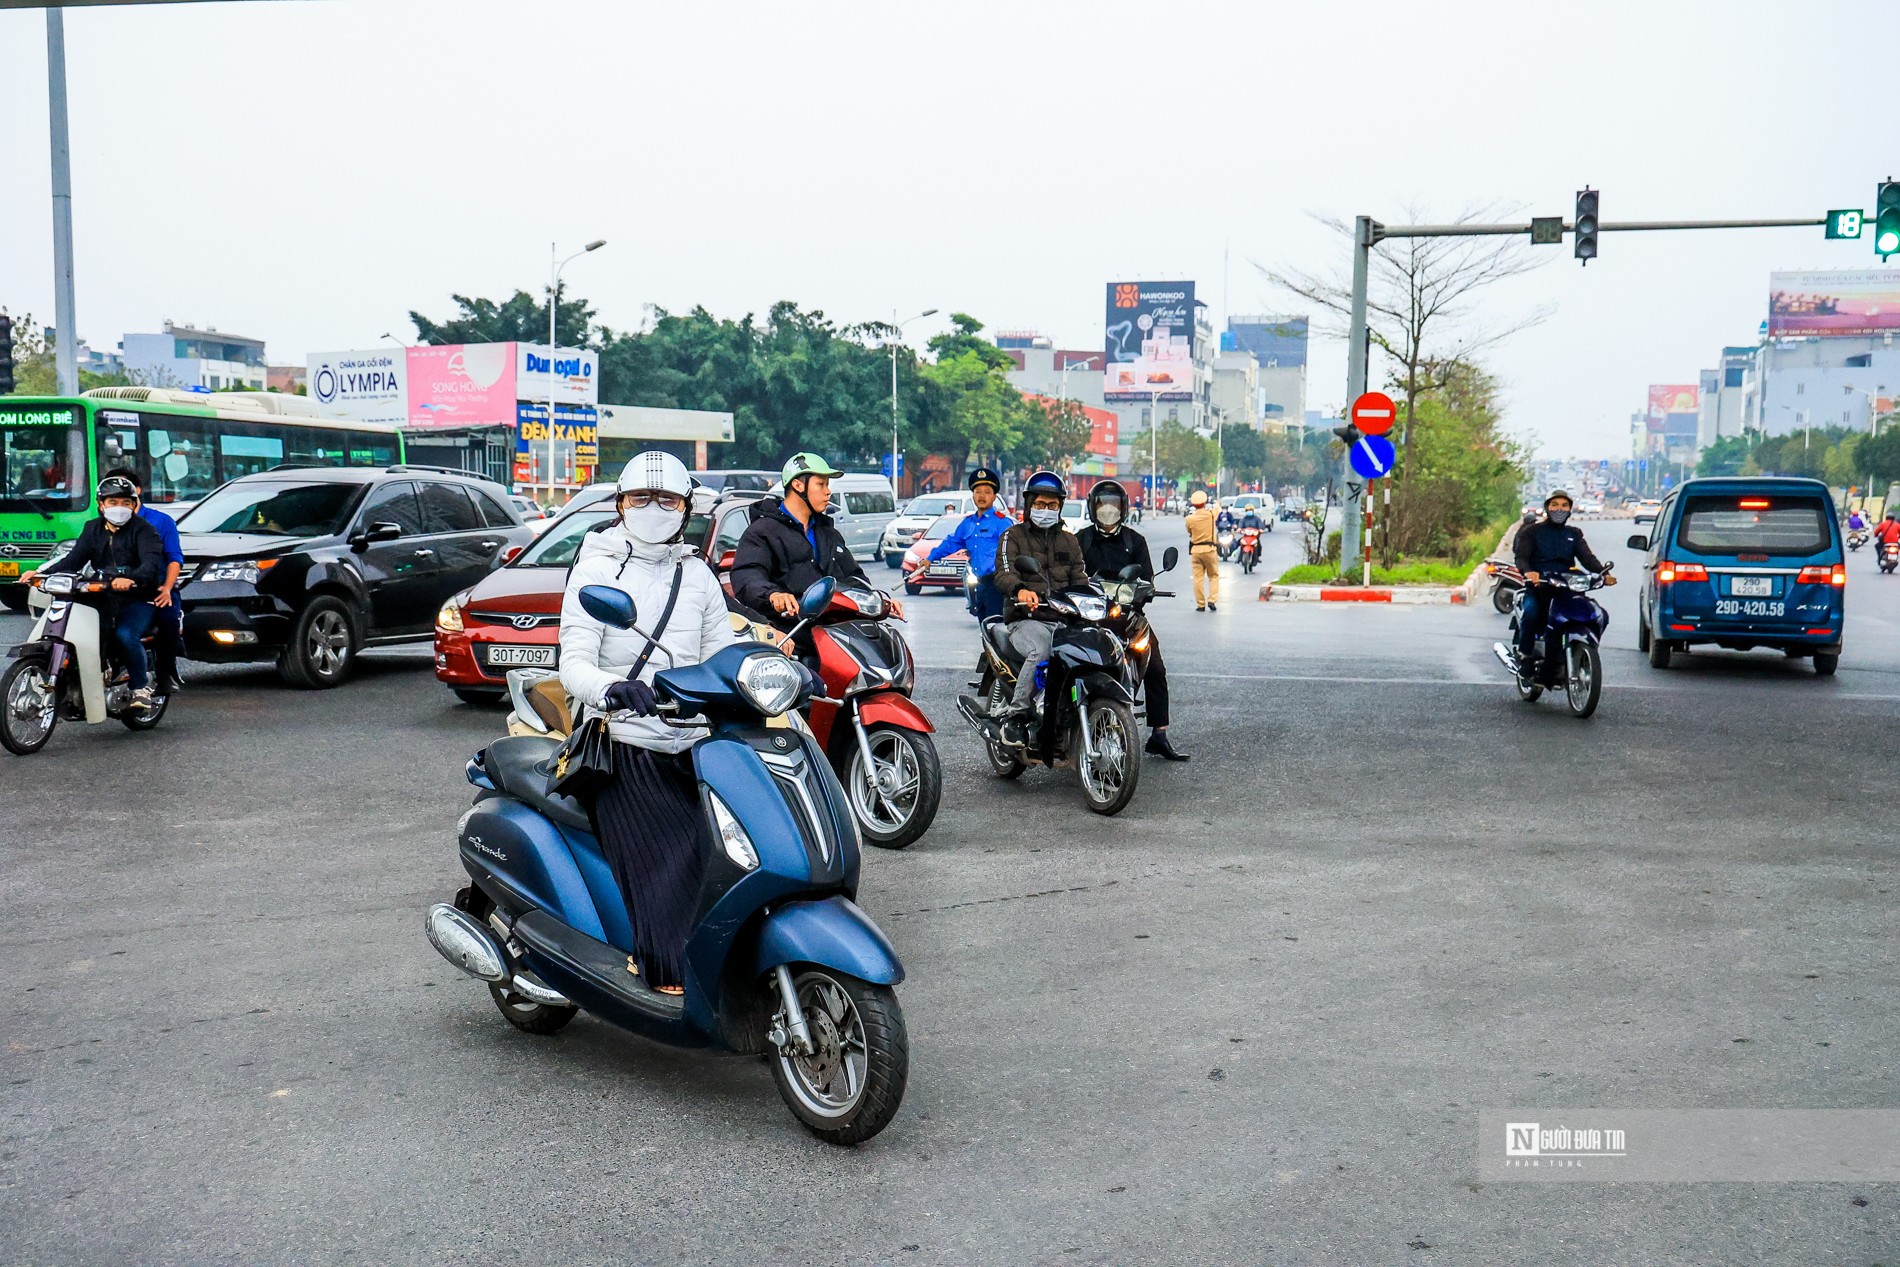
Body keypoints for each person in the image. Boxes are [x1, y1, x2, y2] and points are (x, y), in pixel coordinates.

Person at [559, 452, 739, 995]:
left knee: (736, 840)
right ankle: (660, 962)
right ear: (620, 505)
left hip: (693, 741)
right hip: (622, 743)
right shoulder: (595, 571)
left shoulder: (699, 575)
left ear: (686, 510)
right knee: (679, 841)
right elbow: (573, 662)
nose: (655, 509)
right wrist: (611, 689)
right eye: (642, 499)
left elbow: (721, 655)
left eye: (668, 500)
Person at [24, 476, 167, 708]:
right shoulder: (92, 528)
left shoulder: (144, 531)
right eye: (113, 502)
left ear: (133, 505)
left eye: (125, 502)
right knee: (79, 630)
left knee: (125, 635)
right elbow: (73, 559)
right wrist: (39, 573)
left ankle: (141, 687)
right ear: (101, 504)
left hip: (137, 598)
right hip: (100, 595)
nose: (119, 507)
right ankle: (87, 675)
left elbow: (150, 566)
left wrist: (129, 579)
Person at [730, 452, 902, 639]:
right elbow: (747, 576)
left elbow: (853, 578)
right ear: (798, 485)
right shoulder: (762, 531)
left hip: (835, 635)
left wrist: (879, 601)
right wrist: (773, 595)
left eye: (827, 485)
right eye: (821, 484)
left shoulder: (828, 533)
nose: (828, 491)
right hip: (789, 638)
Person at [1075, 482, 1188, 761]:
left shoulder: (1135, 541)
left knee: (1155, 667)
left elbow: (1147, 579)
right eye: (1102, 504)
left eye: (1114, 504)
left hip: (1128, 617)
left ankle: (1159, 733)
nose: (1108, 510)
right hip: (1090, 616)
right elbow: (1071, 577)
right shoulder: (1081, 540)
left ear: (1123, 508)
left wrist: (1145, 589)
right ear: (1093, 507)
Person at [991, 470, 1088, 745]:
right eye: (1041, 504)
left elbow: (1080, 579)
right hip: (1025, 618)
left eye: (1053, 505)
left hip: (1063, 618)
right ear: (1029, 504)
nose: (1046, 510)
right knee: (1041, 649)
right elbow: (1004, 574)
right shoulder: (1013, 536)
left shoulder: (1069, 540)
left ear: (1060, 507)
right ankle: (1017, 716)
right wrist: (1020, 590)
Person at [1512, 489, 1616, 672]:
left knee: (1600, 615)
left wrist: (1603, 574)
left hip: (1567, 587)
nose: (1559, 509)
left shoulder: (1574, 534)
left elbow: (1587, 558)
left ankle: (1579, 651)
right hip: (1539, 587)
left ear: (1569, 509)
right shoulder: (1532, 532)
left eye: (1564, 505)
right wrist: (1529, 572)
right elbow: (1521, 558)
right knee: (1531, 613)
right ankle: (1525, 656)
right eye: (1555, 505)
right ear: (1547, 507)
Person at [103, 467, 185, 692]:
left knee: (167, 618)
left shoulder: (160, 522)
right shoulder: (102, 523)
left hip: (155, 587)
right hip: (117, 588)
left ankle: (165, 672)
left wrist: (167, 588)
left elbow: (174, 558)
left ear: (136, 491)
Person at [922, 467, 1012, 622]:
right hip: (979, 583)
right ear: (973, 496)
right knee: (984, 628)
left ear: (994, 497)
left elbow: (1011, 551)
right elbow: (951, 543)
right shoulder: (967, 523)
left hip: (997, 584)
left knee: (997, 628)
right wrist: (930, 558)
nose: (982, 496)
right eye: (978, 492)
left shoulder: (1001, 522)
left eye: (987, 492)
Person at [1184, 489, 1220, 611]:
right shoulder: (1211, 514)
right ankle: (1212, 600)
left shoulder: (1189, 519)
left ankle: (1200, 604)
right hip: (1210, 549)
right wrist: (1216, 502)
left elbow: (1189, 531)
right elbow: (1218, 508)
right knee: (1213, 576)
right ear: (1205, 503)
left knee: (1198, 578)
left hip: (1195, 550)